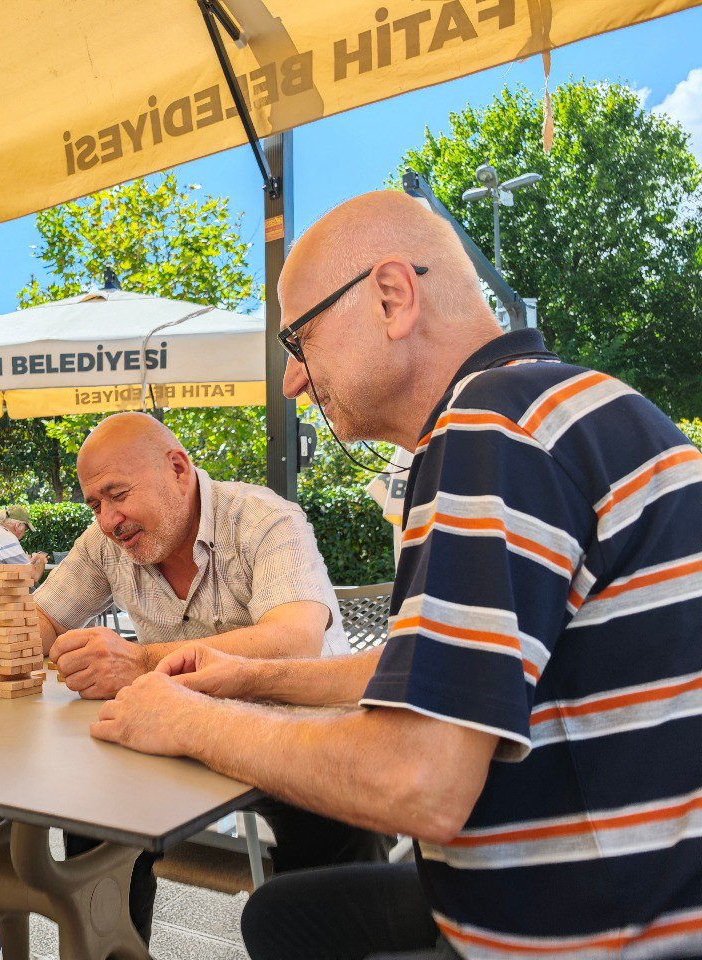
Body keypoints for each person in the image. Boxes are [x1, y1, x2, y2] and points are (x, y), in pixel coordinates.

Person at [90, 191, 702, 960]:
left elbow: (419, 781)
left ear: (391, 297)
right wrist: (249, 678)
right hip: (648, 886)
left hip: (589, 930)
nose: (293, 381)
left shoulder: (490, 428)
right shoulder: (559, 407)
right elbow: (442, 669)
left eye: (299, 340)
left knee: (290, 918)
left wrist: (185, 720)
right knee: (284, 916)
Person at [9, 411, 385, 944]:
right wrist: (1, 638)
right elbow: (43, 619)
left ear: (178, 468)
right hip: (179, 729)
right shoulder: (106, 542)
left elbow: (294, 638)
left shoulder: (262, 518)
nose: (109, 520)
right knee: (91, 811)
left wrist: (140, 662)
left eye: (118, 494)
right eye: (95, 504)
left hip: (295, 725)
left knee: (335, 830)